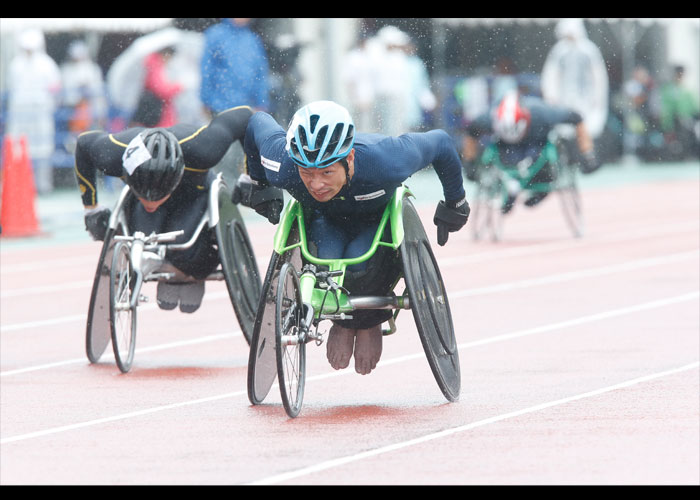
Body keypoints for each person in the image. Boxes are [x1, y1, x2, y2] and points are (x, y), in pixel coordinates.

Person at [233, 100, 470, 375]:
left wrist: (456, 202)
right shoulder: (284, 165)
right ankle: (344, 320)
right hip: (324, 220)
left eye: (327, 172)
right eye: (307, 173)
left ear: (350, 160)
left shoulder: (387, 160)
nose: (316, 184)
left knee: (359, 265)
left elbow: (441, 143)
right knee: (328, 264)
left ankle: (368, 321)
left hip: (376, 220)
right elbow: (255, 123)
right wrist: (259, 182)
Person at [74, 105, 254, 313]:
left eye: (157, 197)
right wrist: (91, 209)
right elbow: (84, 144)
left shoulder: (204, 149)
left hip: (194, 193)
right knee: (147, 245)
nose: (150, 202)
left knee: (182, 249)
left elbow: (245, 116)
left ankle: (190, 270)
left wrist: (250, 175)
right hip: (141, 189)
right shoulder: (113, 155)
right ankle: (172, 263)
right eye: (144, 194)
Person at [462, 91, 600, 214]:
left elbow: (577, 119)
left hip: (536, 141)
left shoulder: (542, 113)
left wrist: (587, 153)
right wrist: (469, 162)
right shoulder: (489, 119)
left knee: (541, 162)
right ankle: (511, 187)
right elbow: (471, 133)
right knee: (504, 158)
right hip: (505, 147)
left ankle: (540, 189)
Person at [6, 28, 61, 195]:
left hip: (41, 111)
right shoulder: (16, 64)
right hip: (20, 112)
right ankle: (19, 185)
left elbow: (55, 89)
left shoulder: (46, 64)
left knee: (43, 148)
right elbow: (11, 88)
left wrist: (50, 106)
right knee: (18, 147)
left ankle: (43, 185)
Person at [541, 18, 609, 141]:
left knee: (586, 130)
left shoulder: (589, 50)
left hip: (586, 100)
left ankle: (585, 156)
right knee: (565, 131)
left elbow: (598, 77)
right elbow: (550, 76)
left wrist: (598, 97)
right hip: (564, 99)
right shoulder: (559, 51)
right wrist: (551, 96)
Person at [199, 18, 270, 116]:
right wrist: (206, 100)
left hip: (247, 108)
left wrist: (261, 103)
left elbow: (261, 74)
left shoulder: (252, 40)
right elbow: (207, 70)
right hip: (219, 106)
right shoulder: (215, 35)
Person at [60, 40, 108, 133]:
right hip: (74, 108)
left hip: (90, 108)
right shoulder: (67, 70)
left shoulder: (92, 69)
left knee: (93, 131)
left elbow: (98, 91)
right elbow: (66, 93)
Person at [130, 47, 182, 128]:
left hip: (158, 112)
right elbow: (161, 89)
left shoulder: (157, 64)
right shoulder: (154, 64)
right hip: (158, 113)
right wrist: (178, 87)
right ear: (165, 54)